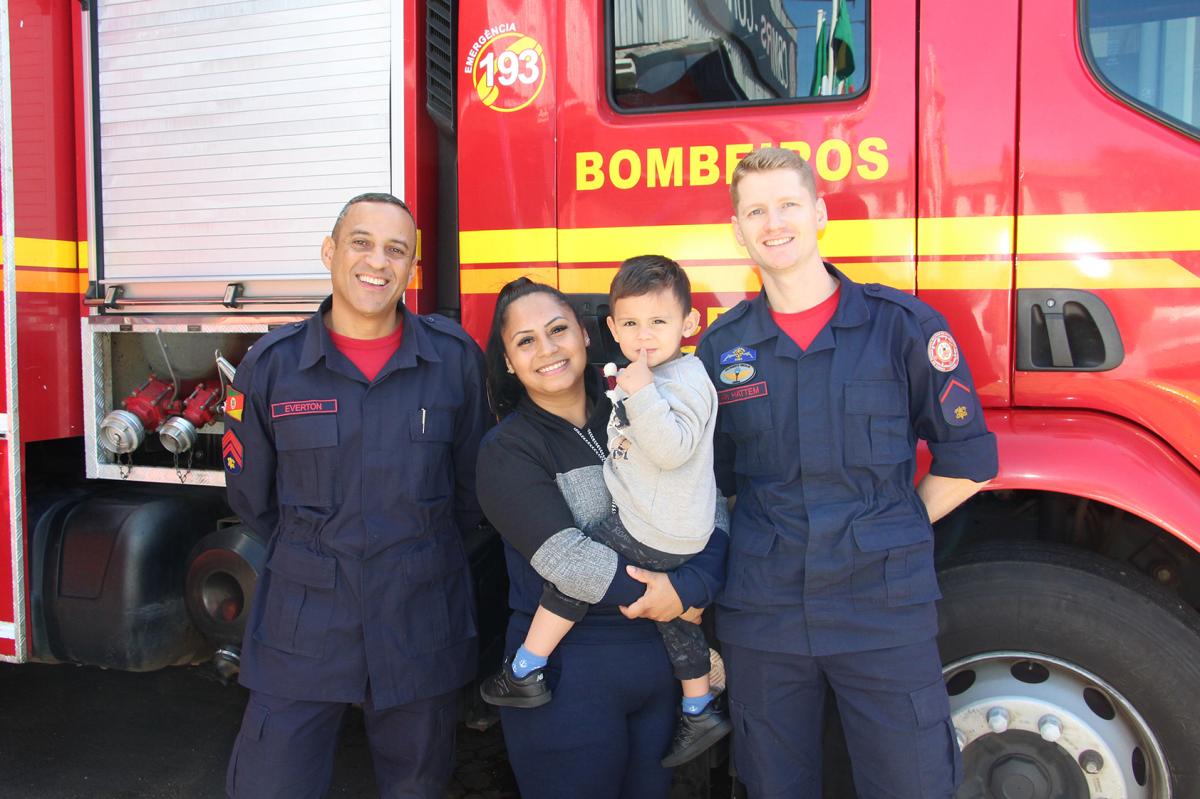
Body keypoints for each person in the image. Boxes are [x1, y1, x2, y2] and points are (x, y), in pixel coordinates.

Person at [695, 147, 998, 797]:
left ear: (819, 213)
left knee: (911, 783)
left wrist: (893, 524)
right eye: (755, 210)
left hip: (883, 611)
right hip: (765, 616)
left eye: (787, 205)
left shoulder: (902, 329)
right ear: (737, 229)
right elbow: (713, 484)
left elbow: (969, 460)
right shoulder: (722, 348)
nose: (773, 223)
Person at [222, 192, 489, 798]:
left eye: (397, 250)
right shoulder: (272, 365)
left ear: (412, 269)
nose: (378, 261)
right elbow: (252, 499)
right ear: (330, 252)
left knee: (415, 788)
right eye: (361, 242)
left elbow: (474, 493)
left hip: (419, 619)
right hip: (304, 622)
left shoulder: (452, 362)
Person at [475, 278, 729, 798]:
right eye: (525, 341)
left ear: (587, 335)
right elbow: (568, 561)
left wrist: (695, 586)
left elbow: (707, 503)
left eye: (558, 330)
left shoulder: (641, 403)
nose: (547, 349)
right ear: (507, 361)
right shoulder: (507, 450)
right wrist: (667, 597)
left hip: (658, 667)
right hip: (571, 676)